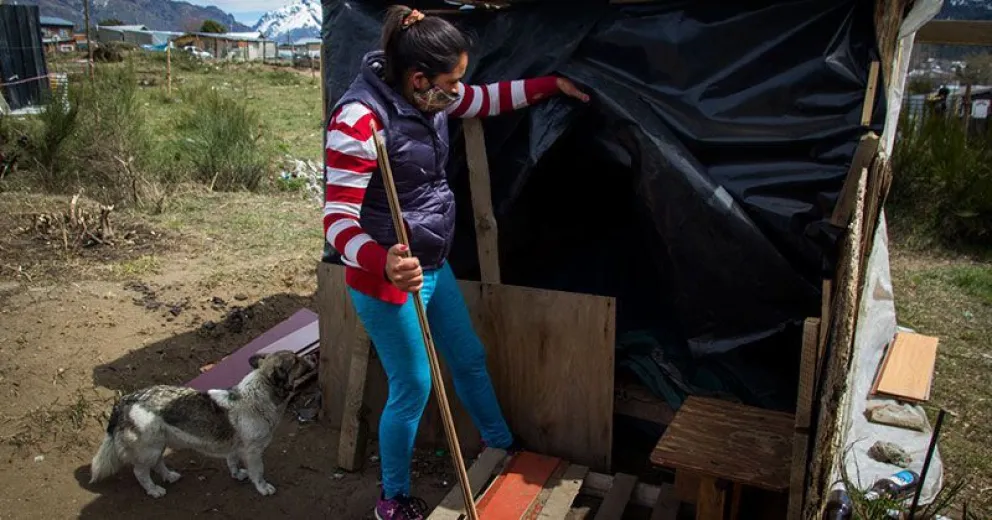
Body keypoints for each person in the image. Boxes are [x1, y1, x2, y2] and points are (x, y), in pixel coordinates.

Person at [322, 5, 589, 520]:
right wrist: (384, 262)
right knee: (413, 387)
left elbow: (485, 100)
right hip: (388, 278)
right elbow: (337, 222)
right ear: (419, 78)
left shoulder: (427, 97)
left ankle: (499, 445)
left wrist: (553, 84)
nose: (458, 91)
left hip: (432, 263)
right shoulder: (359, 120)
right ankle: (392, 499)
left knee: (466, 355)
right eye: (451, 81)